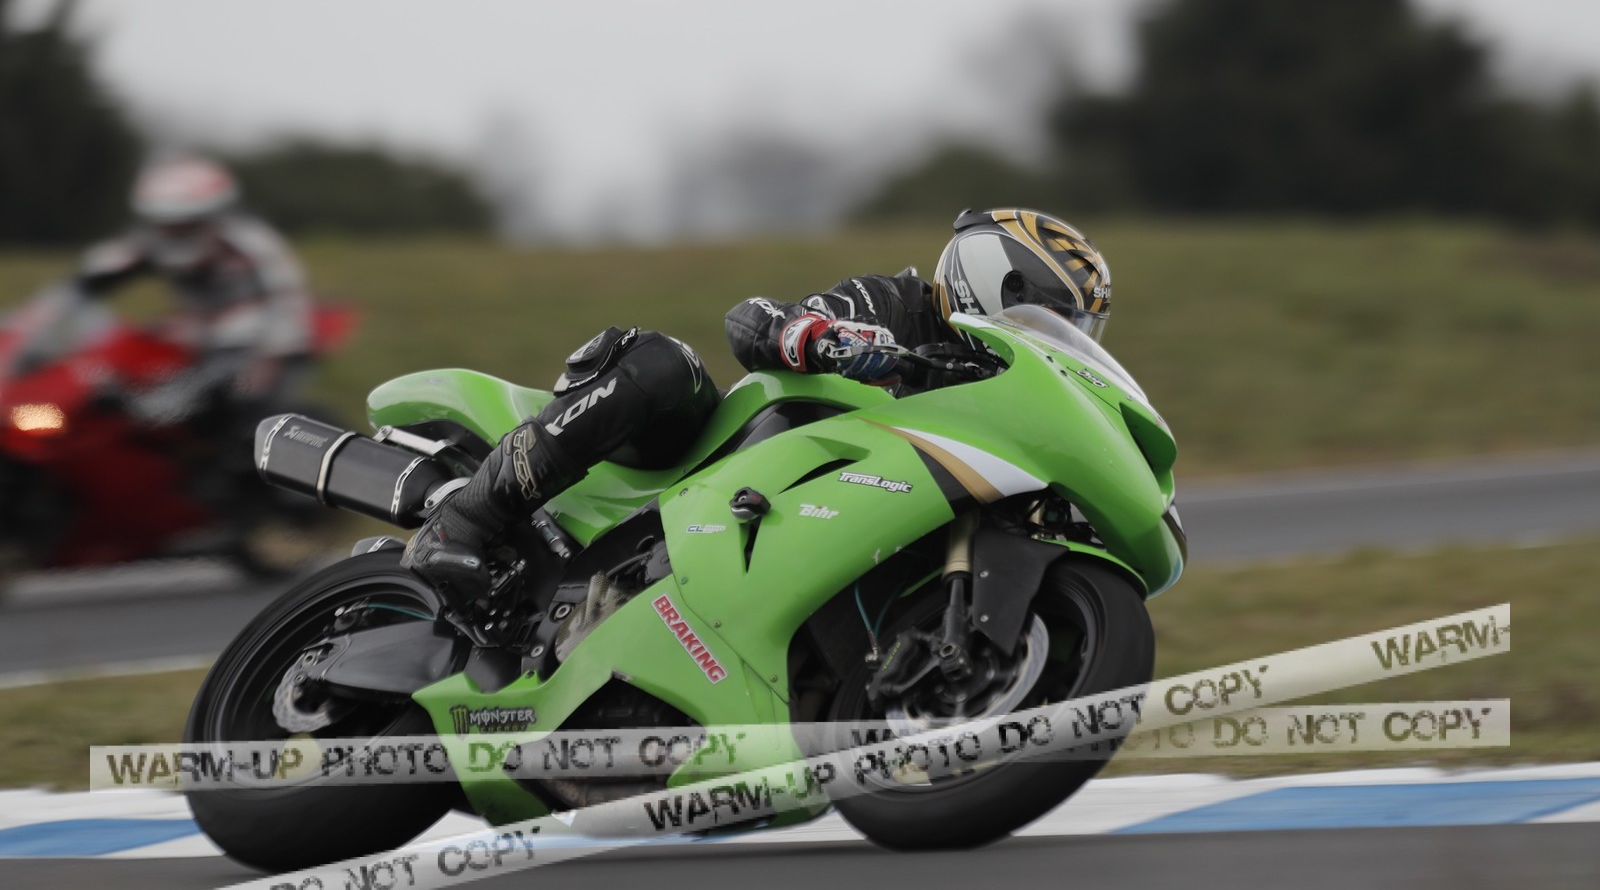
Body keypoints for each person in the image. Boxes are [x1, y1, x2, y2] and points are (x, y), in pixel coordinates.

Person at [404, 207, 1112, 593]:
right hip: (716, 465)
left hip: (832, 524)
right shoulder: (895, 304)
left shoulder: (991, 394)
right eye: (1053, 317)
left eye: (1077, 330)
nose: (1062, 339)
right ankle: (464, 519)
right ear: (996, 282)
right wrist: (824, 339)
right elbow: (752, 321)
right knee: (663, 364)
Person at [63, 156, 314, 430]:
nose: (175, 231)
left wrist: (272, 358)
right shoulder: (147, 243)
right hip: (196, 338)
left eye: (187, 222)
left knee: (230, 417)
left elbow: (287, 299)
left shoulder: (252, 244)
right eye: (165, 223)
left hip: (251, 346)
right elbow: (89, 278)